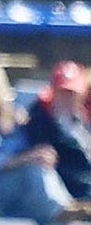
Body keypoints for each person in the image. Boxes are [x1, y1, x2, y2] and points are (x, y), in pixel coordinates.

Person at [0, 63, 87, 225]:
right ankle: (61, 211)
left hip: (16, 189)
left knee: (42, 163)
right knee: (32, 170)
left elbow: (27, 150)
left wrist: (41, 155)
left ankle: (70, 209)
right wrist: (24, 159)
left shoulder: (13, 123)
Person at [21, 61, 91, 201]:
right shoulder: (38, 122)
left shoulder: (80, 121)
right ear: (53, 92)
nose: (67, 98)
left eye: (72, 93)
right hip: (62, 193)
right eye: (62, 92)